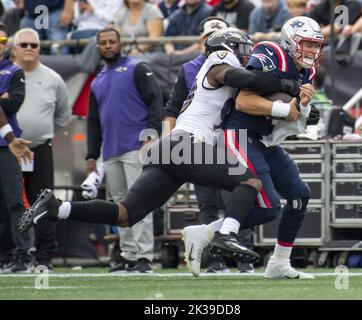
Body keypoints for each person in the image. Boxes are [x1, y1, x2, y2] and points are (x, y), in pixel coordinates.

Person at [18, 27, 299, 277]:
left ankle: (59, 208)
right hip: (184, 144)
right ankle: (225, 235)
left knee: (126, 214)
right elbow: (249, 79)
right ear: (225, 49)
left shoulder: (216, 74)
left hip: (170, 148)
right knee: (249, 181)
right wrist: (287, 84)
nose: (246, 54)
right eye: (241, 48)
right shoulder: (218, 61)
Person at [223, 16, 324, 279]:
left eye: (316, 45)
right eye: (308, 44)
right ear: (291, 42)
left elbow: (291, 117)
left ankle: (279, 262)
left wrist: (304, 110)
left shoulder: (307, 72)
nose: (313, 51)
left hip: (265, 138)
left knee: (300, 195)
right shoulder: (272, 53)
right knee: (268, 207)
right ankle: (212, 232)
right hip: (240, 132)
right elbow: (244, 101)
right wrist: (287, 109)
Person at [164, 16, 254, 274]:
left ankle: (241, 255)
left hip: (230, 139)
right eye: (208, 37)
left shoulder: (238, 65)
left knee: (236, 197)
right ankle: (215, 259)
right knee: (208, 202)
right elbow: (173, 108)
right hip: (197, 140)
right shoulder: (191, 68)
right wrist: (167, 142)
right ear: (203, 41)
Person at [83, 28, 163, 273]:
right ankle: (128, 256)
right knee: (119, 206)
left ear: (121, 43)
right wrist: (91, 155)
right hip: (110, 152)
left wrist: (151, 136)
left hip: (136, 148)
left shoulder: (137, 68)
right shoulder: (97, 80)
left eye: (112, 42)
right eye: (103, 43)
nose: (108, 46)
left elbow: (156, 101)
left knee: (139, 203)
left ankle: (145, 257)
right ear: (98, 47)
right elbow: (93, 121)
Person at [14, 28, 72, 269]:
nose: (29, 48)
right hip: (8, 150)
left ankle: (45, 256)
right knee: (11, 203)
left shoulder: (52, 78)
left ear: (40, 49)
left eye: (34, 45)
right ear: (14, 48)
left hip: (39, 150)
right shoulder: (5, 74)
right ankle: (14, 254)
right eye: (24, 44)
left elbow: (63, 115)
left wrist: (40, 132)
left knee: (44, 201)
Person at [0, 23, 33, 273]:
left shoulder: (13, 71)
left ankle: (22, 254)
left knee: (14, 201)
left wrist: (6, 101)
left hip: (6, 145)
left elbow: (15, 103)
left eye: (2, 40)